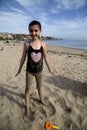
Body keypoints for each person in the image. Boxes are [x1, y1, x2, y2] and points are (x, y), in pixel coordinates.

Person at [15, 20, 52, 117]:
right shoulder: (27, 44)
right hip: (29, 72)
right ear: (29, 31)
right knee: (28, 89)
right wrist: (19, 69)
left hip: (40, 71)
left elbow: (46, 56)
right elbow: (23, 57)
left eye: (36, 30)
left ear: (40, 31)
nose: (33, 33)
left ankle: (42, 100)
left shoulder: (43, 44)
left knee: (40, 87)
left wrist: (49, 68)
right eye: (31, 31)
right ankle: (27, 107)